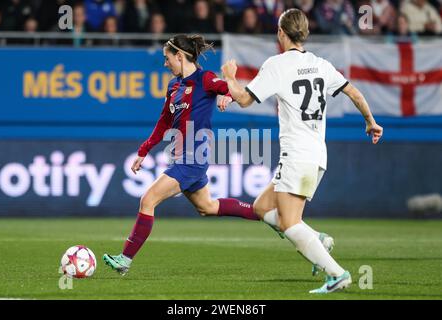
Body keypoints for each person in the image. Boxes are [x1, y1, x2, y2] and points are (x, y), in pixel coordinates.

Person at [221, 8, 383, 293]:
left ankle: (336, 274)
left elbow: (245, 100)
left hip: (296, 155)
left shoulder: (278, 65)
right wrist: (371, 122)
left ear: (281, 33)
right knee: (261, 207)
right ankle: (317, 239)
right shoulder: (321, 64)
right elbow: (354, 92)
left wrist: (230, 78)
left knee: (288, 223)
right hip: (317, 156)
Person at [103, 34, 264, 275]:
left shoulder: (205, 78)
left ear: (180, 56)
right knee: (207, 207)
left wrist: (226, 96)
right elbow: (164, 122)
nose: (164, 63)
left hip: (194, 158)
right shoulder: (174, 86)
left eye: (167, 58)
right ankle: (272, 217)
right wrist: (144, 150)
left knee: (148, 200)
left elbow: (230, 89)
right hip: (182, 157)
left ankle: (125, 259)